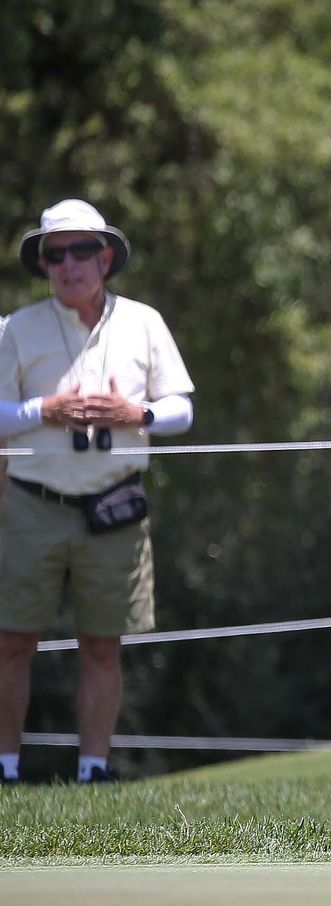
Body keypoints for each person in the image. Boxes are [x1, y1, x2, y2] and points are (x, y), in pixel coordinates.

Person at [0, 199, 195, 784]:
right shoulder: (16, 328)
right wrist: (45, 410)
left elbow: (182, 409)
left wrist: (136, 412)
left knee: (103, 646)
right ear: (44, 264)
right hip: (33, 504)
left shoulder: (145, 321)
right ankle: (5, 767)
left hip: (115, 505)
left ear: (105, 257)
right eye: (55, 253)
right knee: (11, 644)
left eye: (82, 250)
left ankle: (93, 768)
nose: (69, 264)